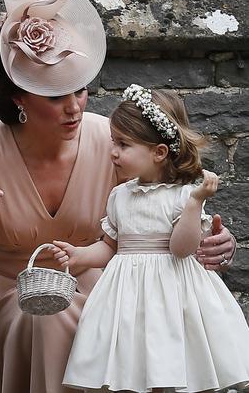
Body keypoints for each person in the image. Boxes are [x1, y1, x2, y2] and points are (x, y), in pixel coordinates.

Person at [0, 0, 236, 390]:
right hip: (11, 302)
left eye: (81, 90)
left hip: (108, 298)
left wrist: (217, 240)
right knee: (44, 318)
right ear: (20, 98)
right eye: (56, 96)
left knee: (87, 324)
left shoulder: (110, 142)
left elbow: (163, 204)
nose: (74, 108)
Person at [53, 84, 249, 393]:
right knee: (131, 368)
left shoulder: (183, 195)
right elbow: (110, 247)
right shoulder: (120, 196)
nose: (113, 152)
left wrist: (196, 202)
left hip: (173, 295)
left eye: (123, 144)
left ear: (159, 152)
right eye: (113, 142)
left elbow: (182, 248)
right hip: (126, 299)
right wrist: (80, 256)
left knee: (170, 362)